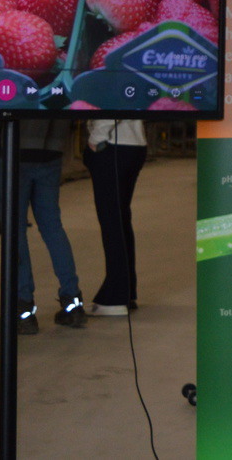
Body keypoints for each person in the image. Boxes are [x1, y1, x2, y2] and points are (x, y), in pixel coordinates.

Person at [0, 119, 87, 334]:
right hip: (52, 149)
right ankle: (73, 303)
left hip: (14, 147)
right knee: (52, 227)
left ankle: (22, 310)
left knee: (14, 230)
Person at [83, 119, 147, 316]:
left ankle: (115, 297)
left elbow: (112, 106)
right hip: (134, 144)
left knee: (111, 221)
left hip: (113, 145)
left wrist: (96, 138)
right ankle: (126, 291)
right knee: (120, 220)